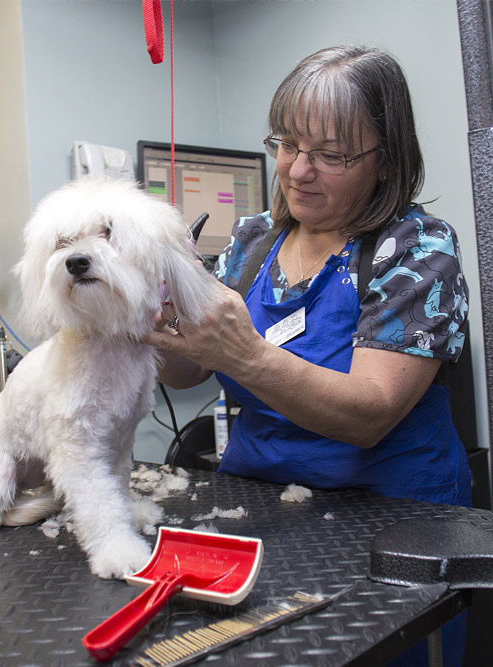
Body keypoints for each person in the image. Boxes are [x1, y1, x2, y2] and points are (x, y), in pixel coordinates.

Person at [143, 45, 471, 666]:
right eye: (287, 145)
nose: (298, 170)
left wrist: (245, 356)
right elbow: (189, 371)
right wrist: (151, 327)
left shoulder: (416, 248)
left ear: (386, 159)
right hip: (261, 517)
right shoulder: (251, 242)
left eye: (331, 154)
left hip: (389, 527)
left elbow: (370, 414)